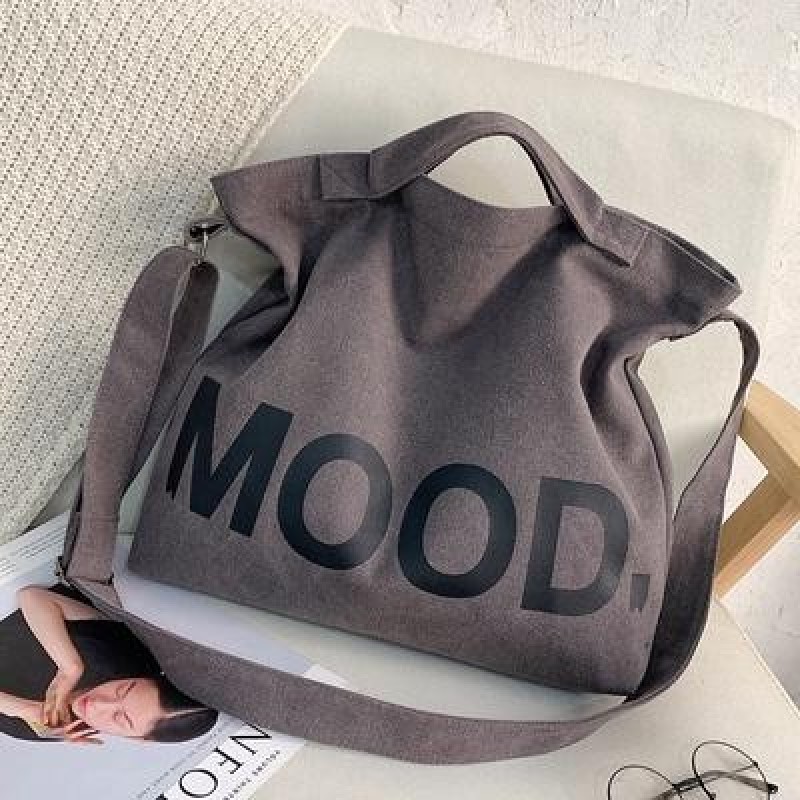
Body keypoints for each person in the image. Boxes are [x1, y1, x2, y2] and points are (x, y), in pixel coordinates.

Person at [0, 583, 218, 744]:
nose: (97, 705)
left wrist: (25, 709)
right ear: (145, 677)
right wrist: (69, 666)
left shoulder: (60, 727)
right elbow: (32, 597)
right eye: (122, 689)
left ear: (137, 739)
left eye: (120, 718)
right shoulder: (119, 650)